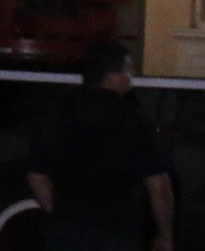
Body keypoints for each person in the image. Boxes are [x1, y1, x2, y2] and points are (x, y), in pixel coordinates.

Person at [26, 39, 172, 251]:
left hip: (66, 232)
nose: (131, 77)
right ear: (112, 75)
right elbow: (158, 184)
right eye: (127, 70)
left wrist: (57, 210)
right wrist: (165, 234)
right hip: (117, 232)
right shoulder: (132, 118)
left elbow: (36, 176)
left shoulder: (58, 113)